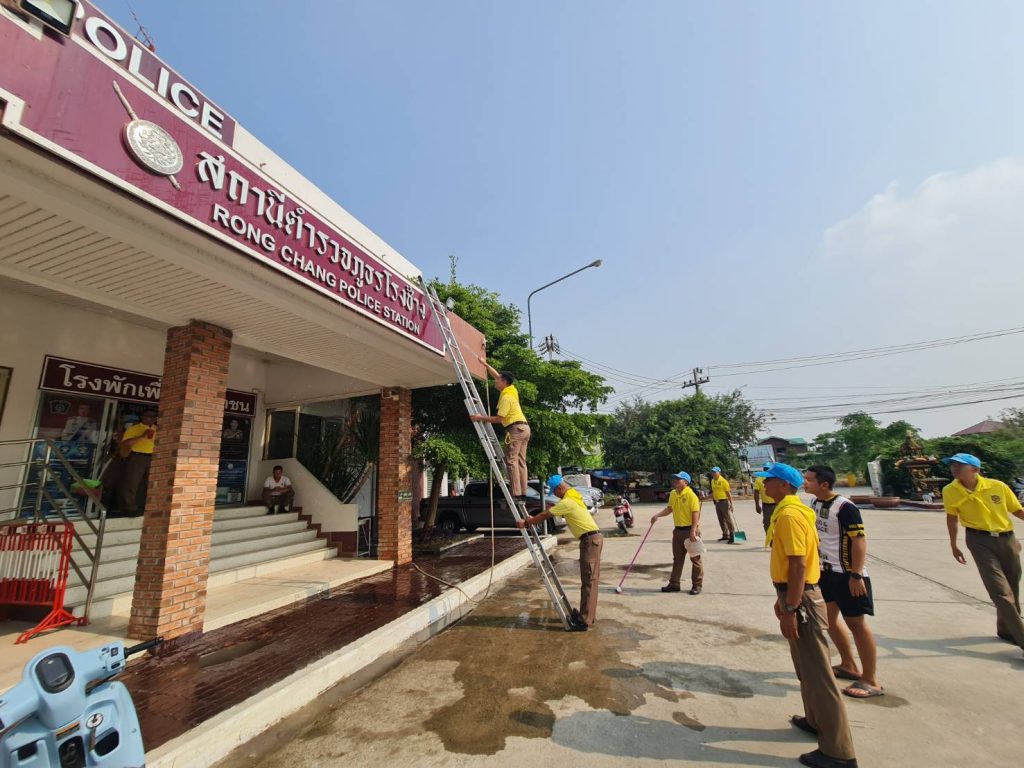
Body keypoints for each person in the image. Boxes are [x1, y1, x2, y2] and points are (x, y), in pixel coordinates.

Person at [759, 462, 856, 768]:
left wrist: (791, 605)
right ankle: (815, 720)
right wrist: (783, 598)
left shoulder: (789, 515)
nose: (764, 485)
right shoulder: (793, 510)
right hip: (793, 593)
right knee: (805, 667)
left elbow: (798, 564)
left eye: (769, 480)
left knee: (818, 675)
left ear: (784, 485)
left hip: (801, 599)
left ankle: (838, 752)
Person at [804, 465, 882, 699]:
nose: (805, 483)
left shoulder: (845, 507)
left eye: (809, 480)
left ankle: (871, 679)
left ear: (824, 484)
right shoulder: (815, 503)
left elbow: (859, 541)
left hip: (847, 574)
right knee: (828, 620)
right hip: (825, 572)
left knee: (856, 624)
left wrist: (856, 575)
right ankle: (848, 664)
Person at [942, 452, 1024, 654]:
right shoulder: (950, 490)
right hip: (979, 540)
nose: (954, 468)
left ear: (975, 469)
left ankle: (1006, 629)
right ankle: (1022, 638)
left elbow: (1016, 510)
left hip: (1007, 538)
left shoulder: (997, 486)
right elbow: (952, 518)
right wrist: (953, 544)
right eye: (952, 465)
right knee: (1000, 590)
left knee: (1012, 586)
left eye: (959, 465)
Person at [517, 475, 602, 630]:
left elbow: (546, 514)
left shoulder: (567, 502)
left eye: (555, 493)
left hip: (590, 541)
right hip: (592, 540)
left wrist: (527, 522)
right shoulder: (573, 496)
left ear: (560, 488)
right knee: (590, 580)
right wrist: (533, 519)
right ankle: (587, 616)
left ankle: (585, 621)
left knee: (589, 581)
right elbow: (554, 513)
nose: (555, 496)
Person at [469, 358, 530, 498]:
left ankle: (516, 493)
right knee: (521, 461)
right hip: (524, 428)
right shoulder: (511, 389)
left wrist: (480, 418)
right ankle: (523, 492)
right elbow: (496, 374)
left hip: (515, 429)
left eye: (498, 380)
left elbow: (499, 419)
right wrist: (485, 364)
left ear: (504, 382)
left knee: (511, 460)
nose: (495, 381)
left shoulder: (506, 397)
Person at [651, 471, 704, 595]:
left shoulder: (691, 495)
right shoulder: (673, 494)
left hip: (690, 530)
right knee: (677, 559)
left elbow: (695, 514)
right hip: (678, 531)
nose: (675, 481)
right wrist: (657, 515)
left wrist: (693, 531)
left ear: (685, 482)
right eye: (675, 479)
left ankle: (697, 585)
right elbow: (670, 509)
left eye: (678, 479)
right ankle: (674, 584)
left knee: (695, 559)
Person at [118, 410, 157, 516]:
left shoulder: (158, 429)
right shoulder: (134, 428)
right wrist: (142, 436)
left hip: (153, 457)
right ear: (142, 417)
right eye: (149, 416)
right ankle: (129, 507)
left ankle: (144, 506)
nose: (152, 418)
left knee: (149, 483)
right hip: (137, 457)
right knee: (132, 482)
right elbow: (125, 443)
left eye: (154, 416)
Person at [710, 467, 738, 544]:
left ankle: (732, 535)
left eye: (715, 472)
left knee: (728, 519)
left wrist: (731, 504)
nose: (713, 474)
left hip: (724, 502)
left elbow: (728, 493)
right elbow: (714, 492)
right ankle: (725, 535)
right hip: (717, 502)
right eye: (712, 472)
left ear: (719, 473)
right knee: (721, 519)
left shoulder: (723, 481)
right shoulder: (712, 481)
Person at [754, 462, 777, 533]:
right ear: (763, 469)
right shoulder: (759, 479)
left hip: (777, 504)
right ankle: (769, 538)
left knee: (778, 522)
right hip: (766, 505)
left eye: (768, 469)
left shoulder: (775, 478)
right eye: (765, 468)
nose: (766, 470)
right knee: (767, 523)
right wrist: (757, 505)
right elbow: (756, 492)